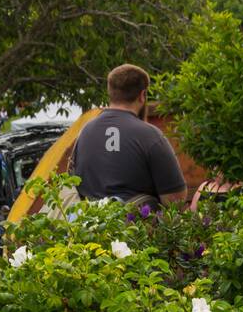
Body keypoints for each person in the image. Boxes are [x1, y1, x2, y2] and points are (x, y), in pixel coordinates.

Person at [70, 62, 188, 208]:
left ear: (110, 92)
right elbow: (175, 200)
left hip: (89, 226)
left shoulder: (85, 131)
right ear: (142, 95)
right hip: (137, 227)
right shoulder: (150, 135)